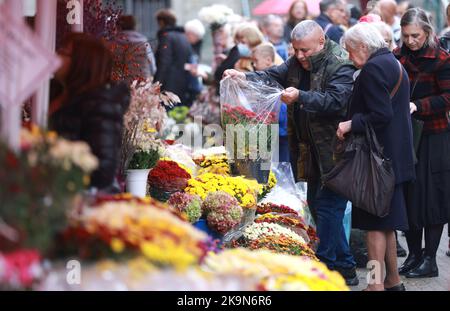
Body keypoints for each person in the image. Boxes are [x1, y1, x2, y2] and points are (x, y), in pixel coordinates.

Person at [224, 20, 358, 286]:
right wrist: (245, 77)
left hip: (336, 149)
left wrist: (301, 97)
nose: (299, 56)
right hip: (311, 150)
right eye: (295, 50)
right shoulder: (296, 61)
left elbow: (336, 101)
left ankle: (326, 267)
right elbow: (273, 74)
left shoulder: (340, 62)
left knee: (329, 207)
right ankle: (346, 267)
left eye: (305, 50)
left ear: (321, 42)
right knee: (319, 208)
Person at [337, 22, 415, 291]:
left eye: (349, 50)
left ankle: (374, 285)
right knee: (387, 225)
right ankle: (393, 282)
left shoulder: (372, 68)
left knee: (373, 228)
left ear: (362, 46)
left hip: (377, 162)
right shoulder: (392, 62)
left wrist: (350, 124)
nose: (349, 56)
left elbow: (381, 115)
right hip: (394, 158)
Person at [394, 8, 450, 279]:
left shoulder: (441, 59)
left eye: (415, 35)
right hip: (406, 135)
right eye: (406, 36)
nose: (411, 41)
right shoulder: (397, 55)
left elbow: (448, 98)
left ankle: (430, 259)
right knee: (410, 196)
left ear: (427, 31)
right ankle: (415, 255)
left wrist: (418, 105)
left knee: (434, 198)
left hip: (435, 135)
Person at [49, 33, 130, 193]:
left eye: (63, 52)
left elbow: (103, 169)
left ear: (82, 62)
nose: (56, 56)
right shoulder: (56, 91)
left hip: (78, 195)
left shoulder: (100, 104)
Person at [252, 43, 289, 163]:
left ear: (268, 60)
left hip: (279, 126)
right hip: (278, 127)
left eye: (256, 61)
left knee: (279, 161)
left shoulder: (271, 76)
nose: (253, 65)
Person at [154, 9, 193, 106]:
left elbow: (164, 62)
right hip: (183, 83)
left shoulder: (166, 37)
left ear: (162, 22)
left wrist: (157, 83)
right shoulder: (183, 36)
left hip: (168, 85)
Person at [112, 15, 157, 85]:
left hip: (119, 86)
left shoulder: (113, 43)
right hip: (141, 85)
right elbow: (152, 67)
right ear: (134, 26)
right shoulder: (143, 42)